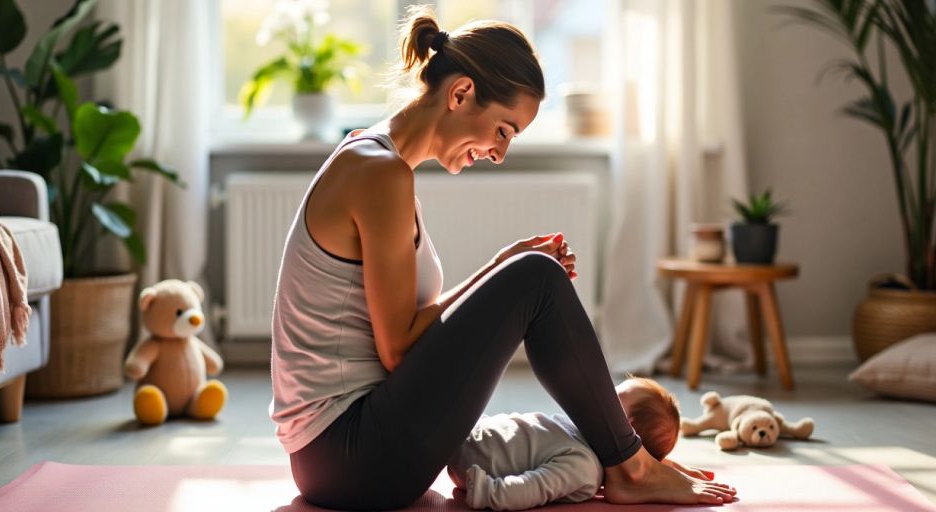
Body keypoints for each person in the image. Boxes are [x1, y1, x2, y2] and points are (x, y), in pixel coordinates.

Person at [269, 5, 736, 510]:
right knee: (537, 277)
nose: (499, 153)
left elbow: (404, 330)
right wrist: (508, 276)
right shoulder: (379, 174)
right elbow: (400, 351)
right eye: (503, 130)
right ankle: (631, 466)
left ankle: (629, 460)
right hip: (353, 460)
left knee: (531, 274)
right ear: (461, 92)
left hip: (339, 459)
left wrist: (499, 268)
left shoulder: (373, 160)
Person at [447, 377, 709, 510]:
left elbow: (536, 486)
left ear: (624, 428)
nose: (599, 396)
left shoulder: (583, 466)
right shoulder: (580, 434)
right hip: (475, 431)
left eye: (612, 397)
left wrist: (489, 493)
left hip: (471, 454)